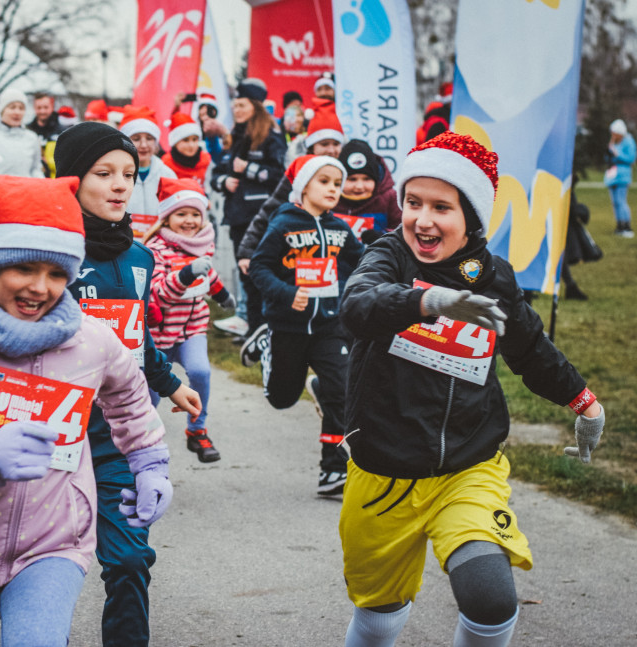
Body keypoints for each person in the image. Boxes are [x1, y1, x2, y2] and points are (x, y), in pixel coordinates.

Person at [338, 132, 606, 647]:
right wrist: (427, 302)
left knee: (490, 596)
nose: (422, 219)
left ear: (473, 218)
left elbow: (530, 348)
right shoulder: (388, 255)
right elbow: (357, 308)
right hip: (382, 473)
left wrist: (583, 401)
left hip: (468, 465)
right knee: (379, 614)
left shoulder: (491, 276)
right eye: (413, 203)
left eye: (442, 207)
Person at [0, 174, 172, 647]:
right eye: (24, 269)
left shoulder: (91, 341)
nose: (40, 288)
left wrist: (149, 464)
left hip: (56, 545)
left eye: (56, 274)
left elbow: (130, 400)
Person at [54, 122, 201, 647]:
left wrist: (170, 381)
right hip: (54, 433)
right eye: (104, 173)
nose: (120, 185)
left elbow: (135, 339)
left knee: (131, 558)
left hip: (118, 435)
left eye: (129, 175)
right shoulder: (52, 255)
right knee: (47, 565)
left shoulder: (140, 257)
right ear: (71, 179)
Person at [247, 155, 363, 495]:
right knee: (282, 398)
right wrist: (286, 293)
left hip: (330, 326)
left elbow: (364, 260)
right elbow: (259, 267)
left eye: (337, 184)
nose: (333, 189)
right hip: (288, 327)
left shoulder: (340, 229)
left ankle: (333, 468)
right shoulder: (283, 224)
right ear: (304, 186)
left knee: (341, 388)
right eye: (324, 181)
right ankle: (265, 344)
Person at [143, 177, 235, 462]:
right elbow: (156, 294)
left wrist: (222, 296)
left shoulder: (202, 244)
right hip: (159, 334)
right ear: (167, 217)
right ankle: (143, 438)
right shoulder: (155, 251)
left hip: (192, 327)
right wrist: (184, 276)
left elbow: (208, 275)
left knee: (201, 372)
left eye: (195, 214)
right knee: (152, 395)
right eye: (181, 214)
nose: (190, 220)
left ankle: (197, 430)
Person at [209, 78, 286, 345]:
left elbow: (280, 175)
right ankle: (254, 331)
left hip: (262, 218)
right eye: (235, 105)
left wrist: (248, 170)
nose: (237, 109)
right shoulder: (235, 136)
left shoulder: (270, 137)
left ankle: (269, 330)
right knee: (247, 276)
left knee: (262, 274)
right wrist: (224, 182)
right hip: (238, 217)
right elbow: (218, 173)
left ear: (255, 106)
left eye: (242, 104)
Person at [235, 102, 347, 282]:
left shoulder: (349, 173)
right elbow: (270, 209)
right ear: (312, 146)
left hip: (339, 258)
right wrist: (247, 250)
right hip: (299, 263)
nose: (332, 150)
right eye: (324, 144)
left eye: (336, 144)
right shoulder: (299, 173)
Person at [120, 105, 177, 233]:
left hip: (158, 243)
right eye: (136, 139)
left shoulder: (167, 175)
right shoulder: (116, 175)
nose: (144, 145)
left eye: (149, 138)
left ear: (156, 143)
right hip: (124, 242)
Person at [334, 139, 401, 241]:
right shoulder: (331, 197)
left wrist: (383, 237)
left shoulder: (390, 198)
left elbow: (403, 232)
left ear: (376, 179)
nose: (359, 186)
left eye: (367, 179)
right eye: (352, 179)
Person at [0, 88, 44, 178]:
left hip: (25, 191)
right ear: (2, 110)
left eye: (21, 108)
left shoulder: (32, 138)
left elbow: (35, 169)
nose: (17, 112)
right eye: (12, 107)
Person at [159, 112, 211, 185]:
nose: (191, 145)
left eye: (194, 139)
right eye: (185, 140)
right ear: (175, 143)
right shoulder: (165, 164)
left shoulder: (206, 159)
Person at [605, 118, 635, 237]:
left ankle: (626, 226)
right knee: (615, 202)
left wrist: (617, 154)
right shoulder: (613, 142)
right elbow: (608, 158)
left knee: (621, 200)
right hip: (613, 174)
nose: (612, 135)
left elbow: (631, 158)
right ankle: (619, 225)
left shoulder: (628, 142)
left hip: (623, 174)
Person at [27, 90, 65, 177]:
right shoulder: (28, 131)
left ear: (52, 107)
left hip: (55, 182)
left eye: (45, 107)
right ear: (34, 108)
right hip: (33, 182)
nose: (42, 111)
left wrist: (47, 161)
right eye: (39, 108)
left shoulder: (62, 132)